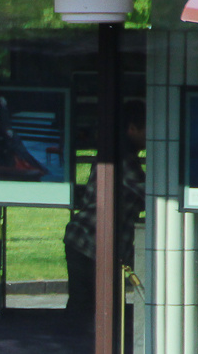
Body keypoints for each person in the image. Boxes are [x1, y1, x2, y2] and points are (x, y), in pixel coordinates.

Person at [63, 100, 147, 336]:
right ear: (132, 129)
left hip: (85, 241)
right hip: (92, 244)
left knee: (86, 307)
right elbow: (152, 195)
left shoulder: (114, 156)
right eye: (147, 128)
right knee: (98, 309)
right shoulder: (123, 163)